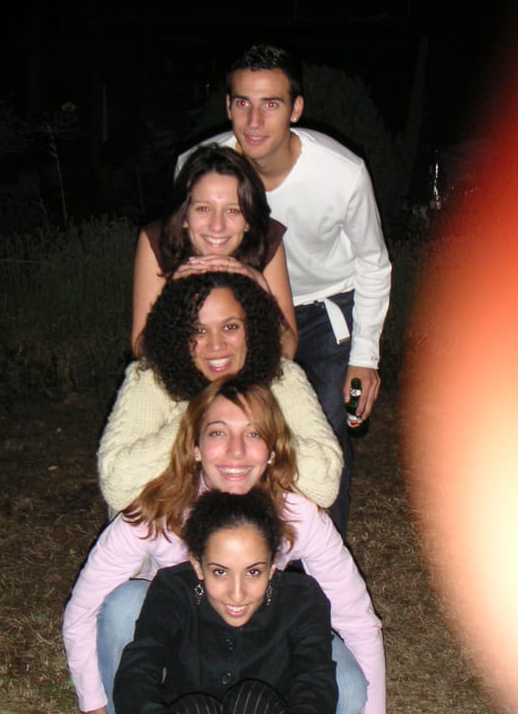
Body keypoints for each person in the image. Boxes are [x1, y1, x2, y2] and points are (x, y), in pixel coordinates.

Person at [63, 380, 418, 714]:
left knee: (346, 692)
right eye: (218, 433)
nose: (235, 451)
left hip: (255, 639)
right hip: (180, 639)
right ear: (194, 446)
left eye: (253, 434)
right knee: (122, 605)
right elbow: (80, 613)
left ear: (272, 450)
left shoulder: (297, 514)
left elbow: (357, 619)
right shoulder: (155, 509)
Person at [176, 43, 392, 538]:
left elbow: (373, 263)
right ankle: (235, 546)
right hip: (241, 310)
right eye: (242, 103)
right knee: (231, 426)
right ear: (228, 105)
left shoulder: (342, 173)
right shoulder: (199, 168)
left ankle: (321, 556)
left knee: (321, 431)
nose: (254, 121)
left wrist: (365, 356)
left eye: (270, 104)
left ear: (295, 109)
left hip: (325, 309)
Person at [116, 488, 337, 714]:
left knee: (254, 702)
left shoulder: (302, 600)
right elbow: (135, 678)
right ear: (197, 565)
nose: (237, 594)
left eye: (253, 572)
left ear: (273, 566)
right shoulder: (173, 590)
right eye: (220, 572)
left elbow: (316, 704)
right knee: (197, 712)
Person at [98, 269, 342, 518]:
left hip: (257, 530)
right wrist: (199, 416)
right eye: (199, 331)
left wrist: (260, 421)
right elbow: (116, 487)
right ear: (178, 334)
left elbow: (326, 486)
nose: (216, 345)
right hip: (169, 530)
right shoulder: (151, 379)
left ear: (252, 329)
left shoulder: (283, 378)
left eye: (230, 327)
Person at [132, 144, 297, 359]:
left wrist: (262, 289)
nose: (217, 226)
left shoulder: (265, 240)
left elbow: (287, 350)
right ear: (184, 216)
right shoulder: (158, 240)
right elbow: (141, 349)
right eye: (203, 209)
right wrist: (170, 299)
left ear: (248, 221)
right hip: (180, 368)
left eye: (233, 211)